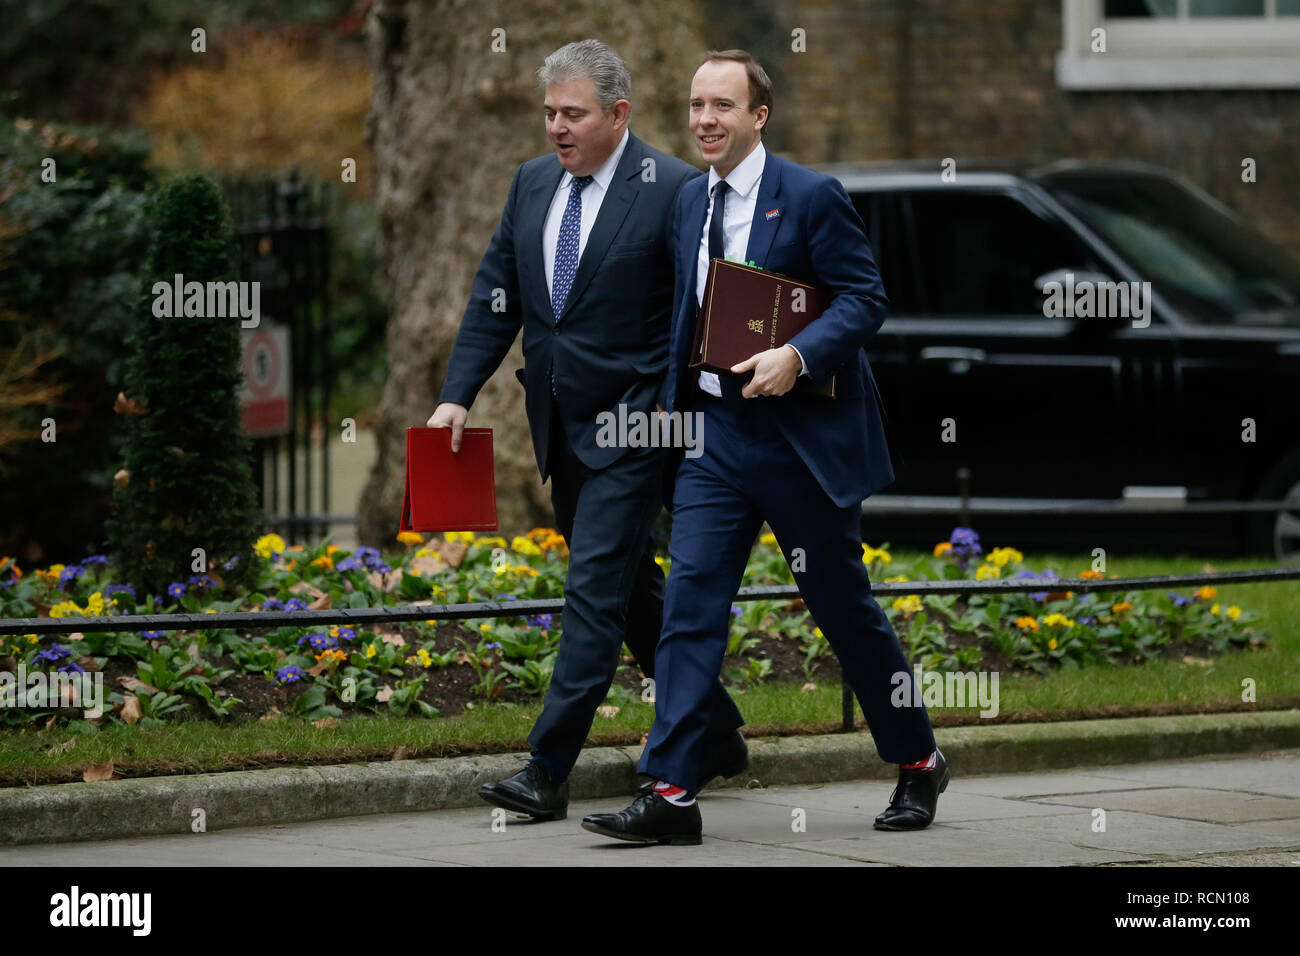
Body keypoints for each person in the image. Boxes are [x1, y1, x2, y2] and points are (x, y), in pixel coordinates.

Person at [581, 49, 947, 846]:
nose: (706, 120)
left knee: (841, 608)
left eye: (722, 105)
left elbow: (865, 299)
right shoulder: (688, 202)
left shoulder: (811, 197)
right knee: (689, 607)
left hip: (800, 445)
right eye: (695, 105)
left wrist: (799, 355)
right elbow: (684, 317)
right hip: (715, 441)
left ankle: (917, 760)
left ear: (759, 116)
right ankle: (672, 791)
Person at [429, 39, 748, 822]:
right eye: (549, 114)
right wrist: (456, 396)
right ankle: (718, 733)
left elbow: (705, 312)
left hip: (638, 428)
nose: (557, 129)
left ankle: (547, 769)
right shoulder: (531, 184)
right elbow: (494, 294)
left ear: (618, 115)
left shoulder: (675, 188)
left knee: (593, 593)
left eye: (573, 114)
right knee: (631, 583)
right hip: (559, 427)